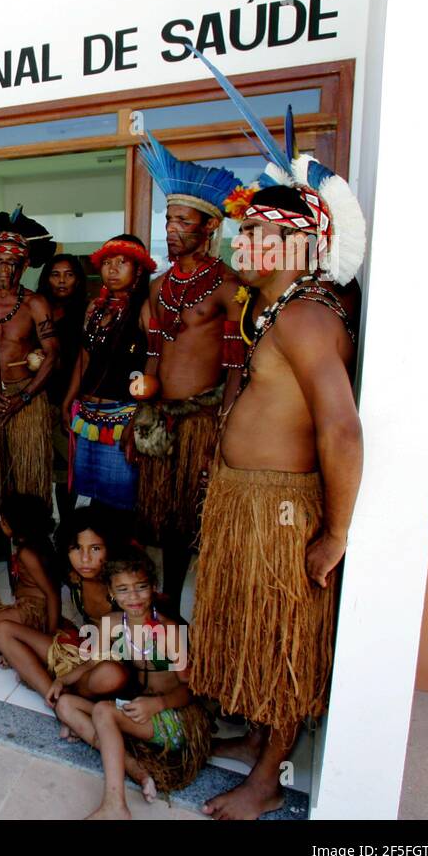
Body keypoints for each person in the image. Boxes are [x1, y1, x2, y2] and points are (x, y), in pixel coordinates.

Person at [186, 65, 366, 819]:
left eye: (258, 233)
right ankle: (256, 734)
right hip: (245, 501)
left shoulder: (307, 316)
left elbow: (341, 426)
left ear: (299, 244)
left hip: (283, 512)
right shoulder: (270, 310)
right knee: (252, 626)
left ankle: (268, 778)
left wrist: (337, 531)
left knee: (283, 633)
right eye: (244, 229)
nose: (243, 241)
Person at [133, 134, 246, 614]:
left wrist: (225, 422)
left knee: (189, 518)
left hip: (202, 420)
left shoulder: (228, 286)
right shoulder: (160, 286)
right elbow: (155, 355)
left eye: (183, 220)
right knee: (159, 515)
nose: (172, 228)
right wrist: (145, 404)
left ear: (210, 226)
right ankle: (159, 597)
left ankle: (182, 601)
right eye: (168, 219)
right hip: (163, 418)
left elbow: (238, 363)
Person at [53, 553, 209, 819]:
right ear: (111, 592)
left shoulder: (168, 631)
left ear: (154, 587)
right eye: (123, 590)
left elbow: (192, 689)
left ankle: (115, 805)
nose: (133, 597)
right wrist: (61, 680)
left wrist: (157, 704)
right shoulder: (112, 624)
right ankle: (136, 770)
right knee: (65, 705)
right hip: (140, 710)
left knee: (102, 711)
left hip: (173, 717)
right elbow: (93, 663)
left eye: (141, 587)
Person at [0, 207, 59, 563]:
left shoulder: (35, 304)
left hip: (26, 401)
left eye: (13, 262)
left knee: (27, 476)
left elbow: (52, 355)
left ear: (24, 265)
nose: (5, 269)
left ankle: (29, 542)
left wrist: (25, 397)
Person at [61, 234, 152, 520]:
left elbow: (155, 363)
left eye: (122, 263)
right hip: (87, 416)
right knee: (86, 499)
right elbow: (84, 359)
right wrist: (68, 402)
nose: (112, 269)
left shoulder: (145, 310)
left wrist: (139, 418)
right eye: (107, 262)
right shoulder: (94, 308)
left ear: (138, 270)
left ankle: (117, 560)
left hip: (121, 416)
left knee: (119, 501)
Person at [0, 505, 123, 701]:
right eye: (76, 548)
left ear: (110, 547)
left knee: (108, 676)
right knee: (4, 631)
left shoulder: (123, 585)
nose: (85, 559)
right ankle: (55, 699)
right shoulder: (74, 579)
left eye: (95, 548)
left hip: (111, 664)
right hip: (83, 650)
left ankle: (55, 686)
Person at [0, 492, 59, 655]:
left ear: (17, 525)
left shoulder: (28, 554)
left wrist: (50, 635)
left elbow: (53, 594)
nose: (0, 523)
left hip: (32, 612)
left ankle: (18, 647)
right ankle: (15, 641)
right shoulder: (33, 544)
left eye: (3, 521)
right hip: (22, 608)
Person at [37, 253, 88, 525]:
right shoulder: (36, 307)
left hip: (69, 397)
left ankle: (67, 527)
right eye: (55, 274)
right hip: (36, 397)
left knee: (66, 469)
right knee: (35, 466)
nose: (62, 280)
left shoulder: (86, 312)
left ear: (78, 279)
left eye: (68, 274)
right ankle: (38, 526)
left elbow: (84, 359)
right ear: (46, 278)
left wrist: (71, 400)